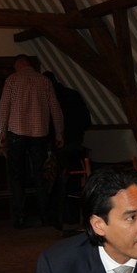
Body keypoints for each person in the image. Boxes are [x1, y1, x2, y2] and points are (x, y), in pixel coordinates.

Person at [0, 55, 64, 228]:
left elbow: (3, 108)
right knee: (41, 176)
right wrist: (59, 134)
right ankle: (45, 217)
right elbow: (55, 109)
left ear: (18, 65)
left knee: (17, 177)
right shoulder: (44, 81)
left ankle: (19, 218)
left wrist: (1, 133)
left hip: (16, 133)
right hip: (40, 134)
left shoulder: (12, 80)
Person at [43, 70, 91, 227]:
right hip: (76, 144)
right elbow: (86, 119)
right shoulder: (72, 94)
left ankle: (59, 217)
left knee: (57, 183)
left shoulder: (49, 99)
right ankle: (73, 215)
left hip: (58, 145)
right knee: (74, 182)